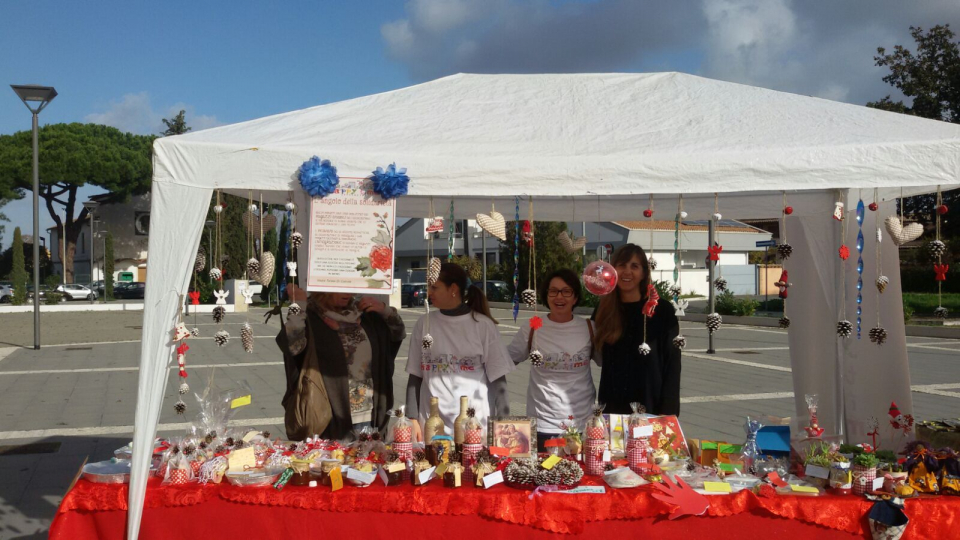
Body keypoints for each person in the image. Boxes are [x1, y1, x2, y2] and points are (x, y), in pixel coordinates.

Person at [275, 284, 405, 440]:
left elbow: (397, 334)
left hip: (369, 416)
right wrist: (299, 306)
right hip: (327, 419)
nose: (347, 292)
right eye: (340, 287)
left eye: (350, 286)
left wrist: (385, 310)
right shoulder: (310, 317)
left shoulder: (364, 314)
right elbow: (292, 346)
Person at [406, 263, 514, 441]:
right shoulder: (423, 323)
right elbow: (415, 375)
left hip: (474, 426)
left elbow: (498, 379)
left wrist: (503, 423)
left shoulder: (483, 325)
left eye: (435, 287)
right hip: (431, 425)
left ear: (453, 289)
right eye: (429, 287)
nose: (429, 292)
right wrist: (412, 418)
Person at [508, 268, 597, 451]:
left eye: (566, 291)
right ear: (546, 295)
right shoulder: (533, 326)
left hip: (582, 422)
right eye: (553, 291)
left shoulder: (589, 327)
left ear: (575, 297)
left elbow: (608, 362)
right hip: (543, 423)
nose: (559, 297)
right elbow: (507, 359)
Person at [593, 243, 681, 416]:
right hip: (613, 404)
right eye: (622, 265)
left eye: (634, 266)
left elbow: (672, 363)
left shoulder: (661, 310)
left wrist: (668, 411)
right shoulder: (604, 309)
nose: (627, 272)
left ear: (643, 273)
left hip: (651, 404)